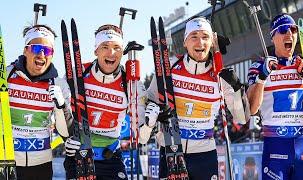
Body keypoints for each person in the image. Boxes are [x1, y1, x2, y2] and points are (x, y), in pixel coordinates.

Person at [139, 16, 250, 180]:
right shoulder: (169, 67)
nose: (200, 42)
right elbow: (148, 105)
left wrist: (237, 89)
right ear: (185, 42)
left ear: (212, 42)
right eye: (194, 37)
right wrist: (152, 118)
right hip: (171, 149)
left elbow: (241, 118)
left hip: (204, 154)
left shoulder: (220, 74)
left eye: (205, 37)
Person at [63, 24, 147, 180]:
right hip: (79, 155)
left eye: (116, 47)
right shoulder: (78, 73)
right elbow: (61, 112)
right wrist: (66, 139)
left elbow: (141, 135)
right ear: (96, 50)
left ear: (122, 51)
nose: (111, 52)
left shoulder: (130, 82)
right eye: (105, 46)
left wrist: (149, 122)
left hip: (110, 158)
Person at [247, 13, 303, 179]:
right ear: (272, 37)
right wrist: (262, 77)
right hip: (276, 148)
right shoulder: (259, 66)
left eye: (293, 30)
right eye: (283, 29)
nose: (289, 34)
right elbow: (251, 108)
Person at [7, 25, 71, 179]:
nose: (42, 54)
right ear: (25, 50)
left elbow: (66, 133)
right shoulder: (6, 76)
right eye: (36, 48)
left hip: (40, 165)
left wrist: (61, 106)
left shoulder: (59, 84)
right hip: (6, 160)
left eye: (47, 50)